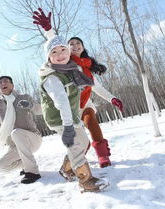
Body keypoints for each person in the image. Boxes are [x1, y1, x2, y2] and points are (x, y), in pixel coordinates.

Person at [33, 9, 109, 192]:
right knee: (75, 144)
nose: (60, 54)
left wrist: (49, 29)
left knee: (84, 143)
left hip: (71, 114)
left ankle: (66, 169)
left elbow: (93, 85)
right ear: (49, 58)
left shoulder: (70, 68)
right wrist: (68, 127)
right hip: (58, 117)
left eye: (63, 50)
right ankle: (86, 180)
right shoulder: (52, 77)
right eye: (54, 52)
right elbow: (61, 102)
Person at [68, 37, 123, 168]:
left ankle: (102, 155)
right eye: (71, 44)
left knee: (91, 120)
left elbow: (96, 87)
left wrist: (112, 98)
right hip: (70, 105)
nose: (75, 45)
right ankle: (77, 158)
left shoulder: (86, 65)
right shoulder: (64, 63)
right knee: (77, 137)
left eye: (78, 43)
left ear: (83, 46)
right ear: (67, 48)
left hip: (85, 103)